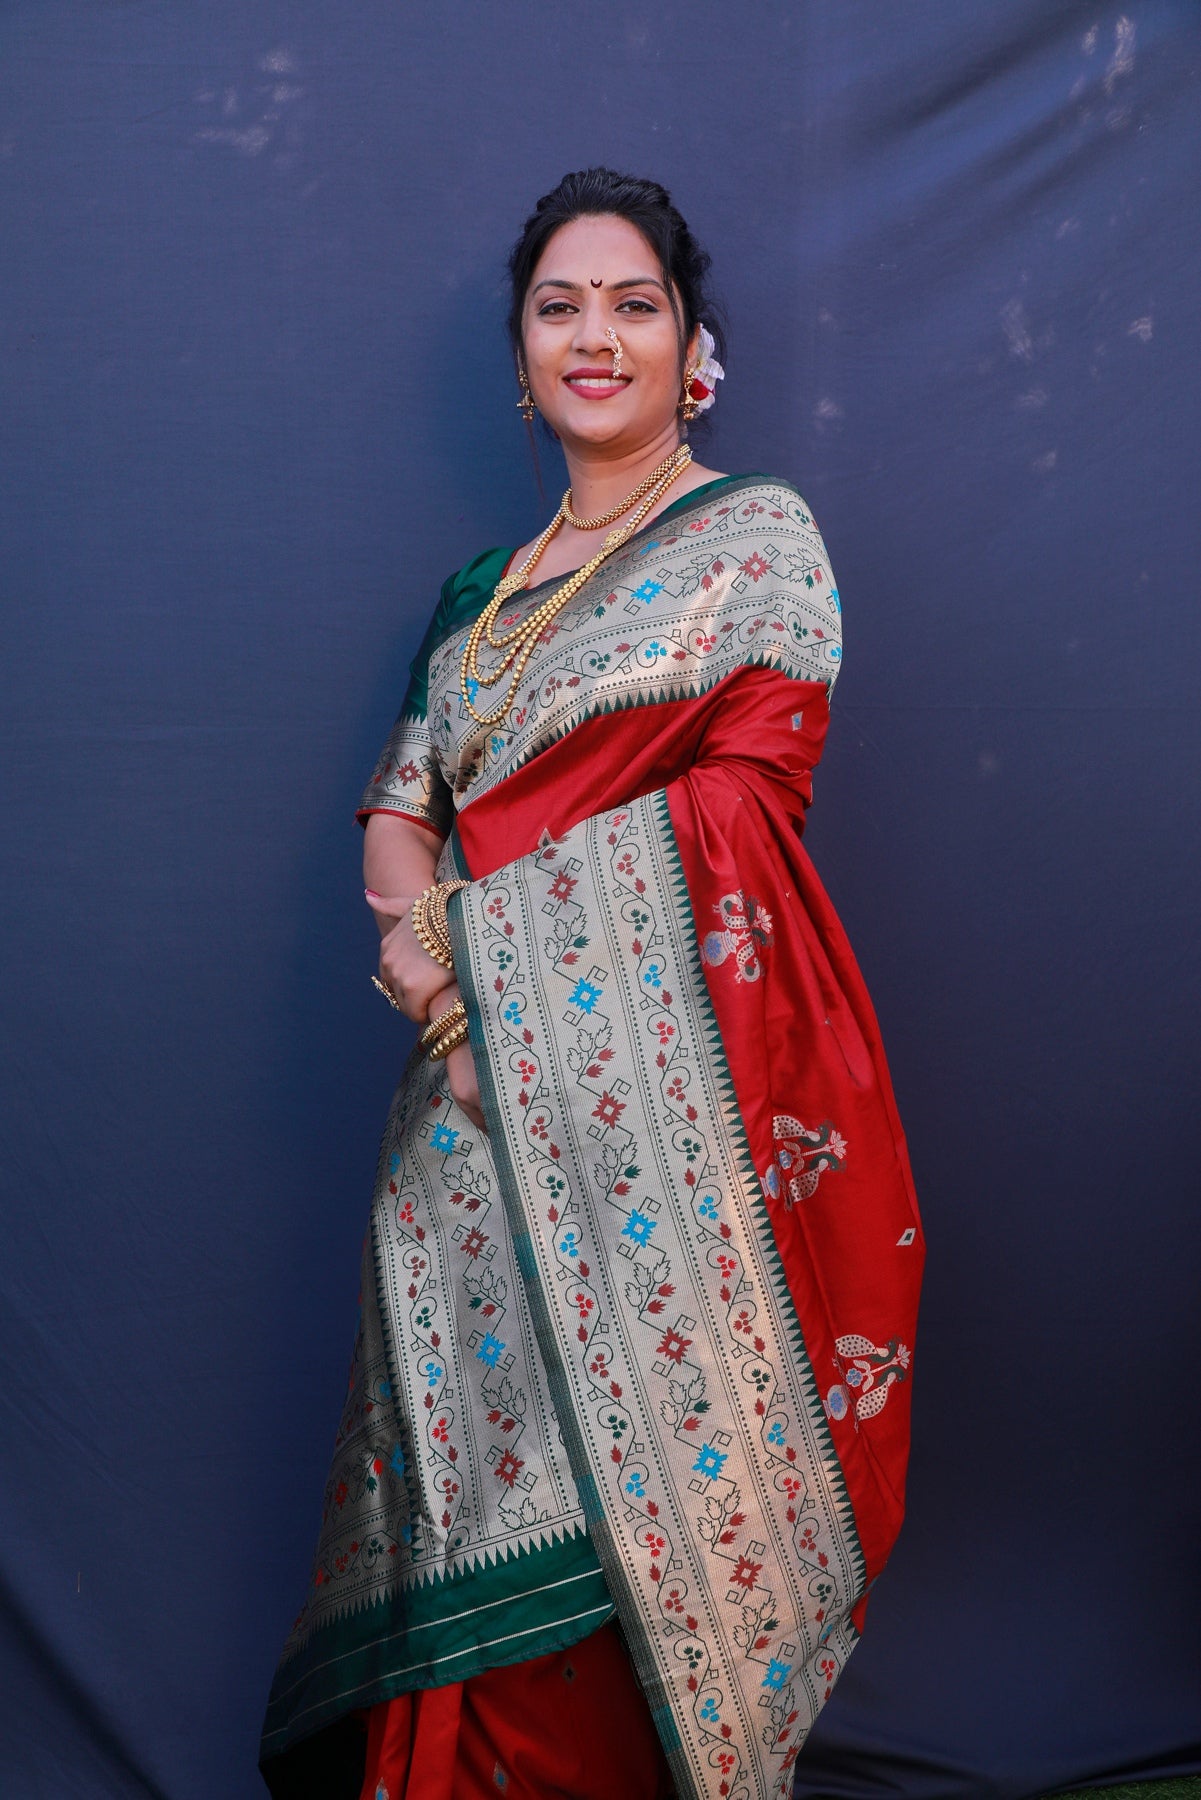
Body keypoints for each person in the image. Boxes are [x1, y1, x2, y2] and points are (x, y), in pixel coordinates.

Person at [260, 167, 924, 1800]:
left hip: (660, 1133)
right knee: (473, 1533)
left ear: (694, 347)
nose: (594, 335)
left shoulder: (751, 540)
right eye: (558, 306)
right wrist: (452, 1019)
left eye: (633, 302)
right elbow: (398, 821)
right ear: (518, 359)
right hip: (466, 1133)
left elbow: (744, 811)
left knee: (637, 1579)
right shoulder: (474, 602)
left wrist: (501, 983)